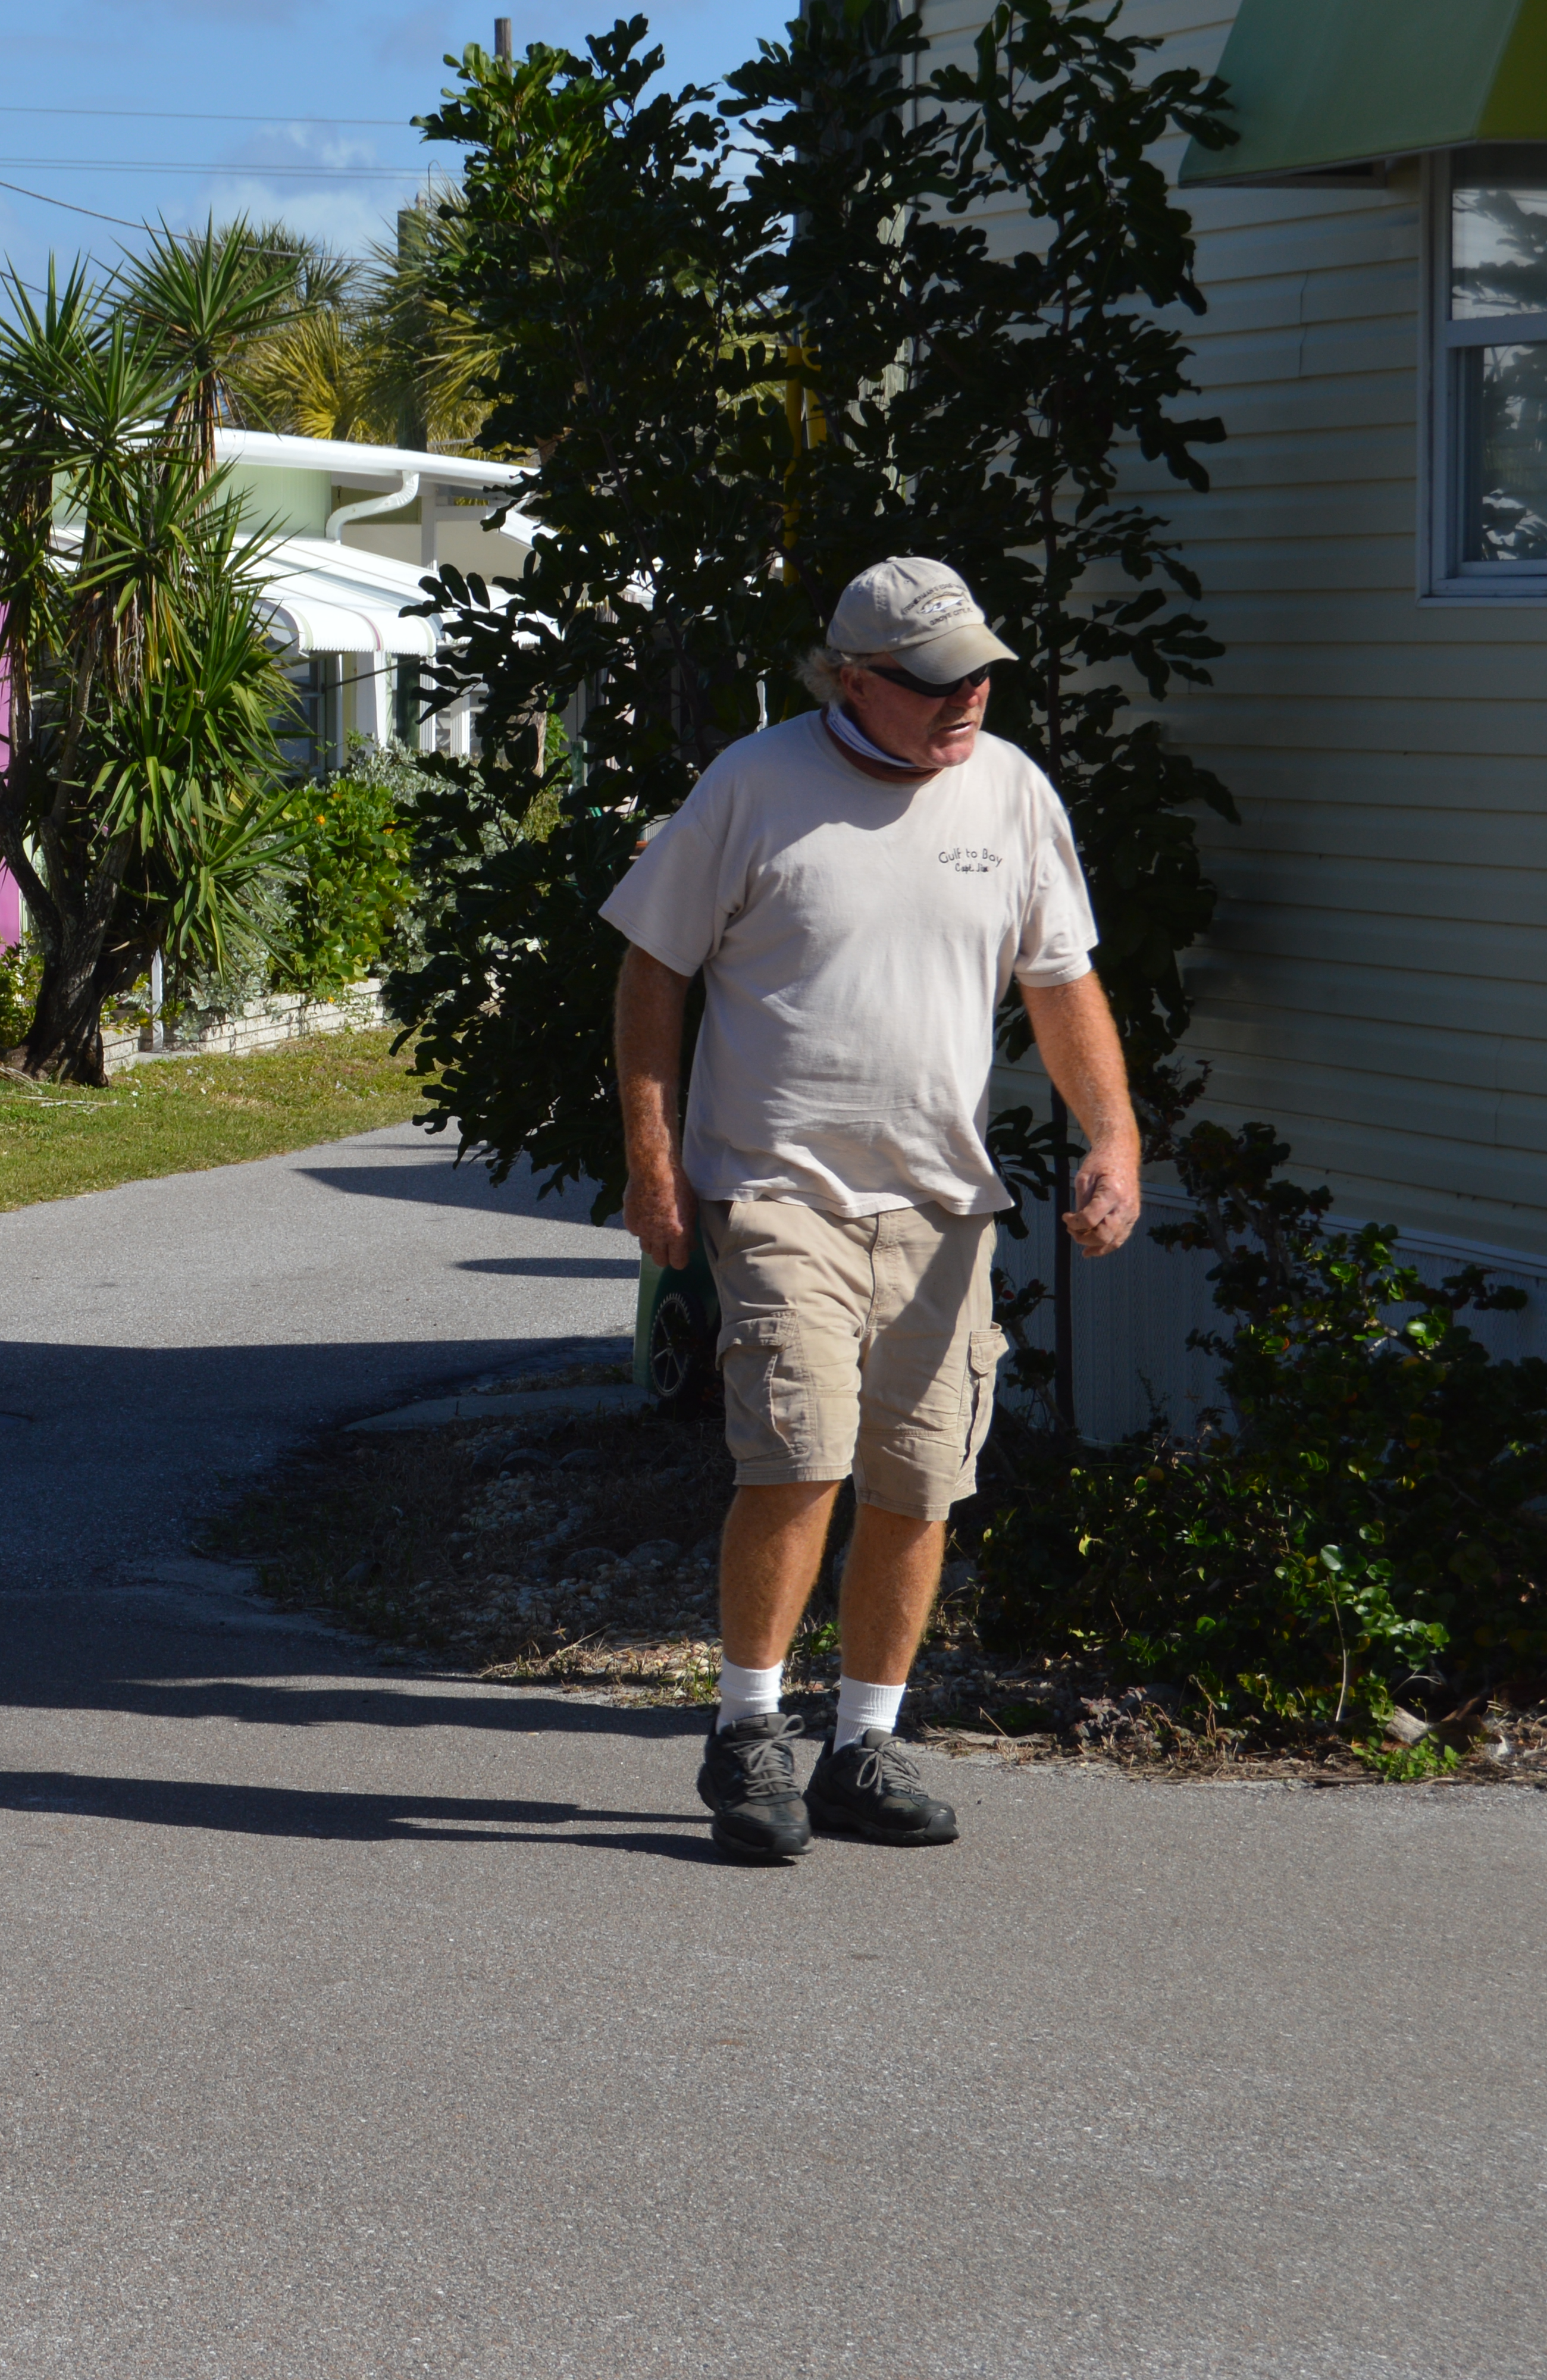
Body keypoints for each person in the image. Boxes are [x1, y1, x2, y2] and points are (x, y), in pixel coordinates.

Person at [603, 556, 1138, 1864]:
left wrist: (1114, 1135)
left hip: (942, 1200)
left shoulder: (1007, 789)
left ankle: (863, 1743)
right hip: (778, 1183)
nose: (967, 696)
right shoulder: (752, 784)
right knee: (798, 1453)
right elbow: (649, 976)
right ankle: (745, 1730)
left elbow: (1059, 982)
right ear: (854, 681)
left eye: (980, 672)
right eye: (933, 678)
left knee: (918, 1480)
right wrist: (652, 1161)